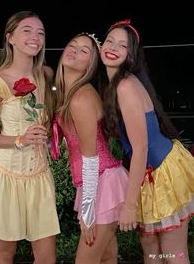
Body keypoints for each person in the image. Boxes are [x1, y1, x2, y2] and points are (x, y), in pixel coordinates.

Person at [99, 19, 194, 264]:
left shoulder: (125, 86)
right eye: (110, 40)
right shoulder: (115, 85)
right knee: (152, 251)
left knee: (173, 254)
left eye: (122, 45)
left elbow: (140, 148)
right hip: (150, 175)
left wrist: (129, 206)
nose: (112, 47)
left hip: (163, 173)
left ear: (130, 55)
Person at [0, 11, 60, 264]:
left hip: (39, 175)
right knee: (5, 251)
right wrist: (20, 139)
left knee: (46, 255)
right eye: (27, 30)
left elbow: (52, 117)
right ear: (10, 37)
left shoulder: (46, 74)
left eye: (40, 32)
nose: (35, 37)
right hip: (6, 176)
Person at [51, 32, 129, 264]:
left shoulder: (80, 99)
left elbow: (91, 159)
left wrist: (88, 212)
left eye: (84, 50)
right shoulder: (68, 95)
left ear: (91, 65)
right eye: (72, 44)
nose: (74, 49)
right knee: (106, 258)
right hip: (95, 183)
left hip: (102, 184)